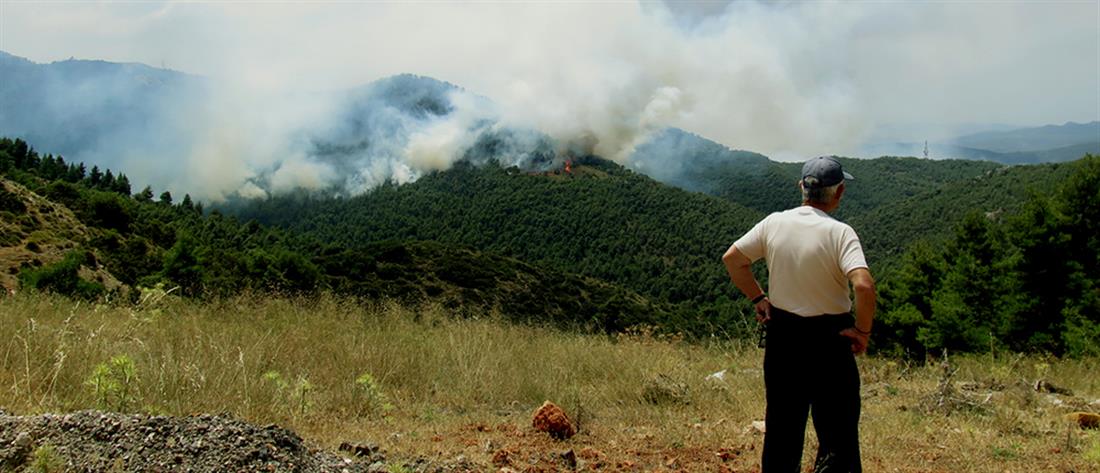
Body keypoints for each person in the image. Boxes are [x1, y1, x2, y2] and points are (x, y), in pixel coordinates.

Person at [722, 155, 876, 473]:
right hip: (830, 340)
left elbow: (733, 259)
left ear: (801, 187)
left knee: (782, 427)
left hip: (784, 336)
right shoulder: (841, 233)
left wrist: (758, 297)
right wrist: (862, 331)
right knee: (838, 432)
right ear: (840, 191)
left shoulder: (774, 222)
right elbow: (863, 286)